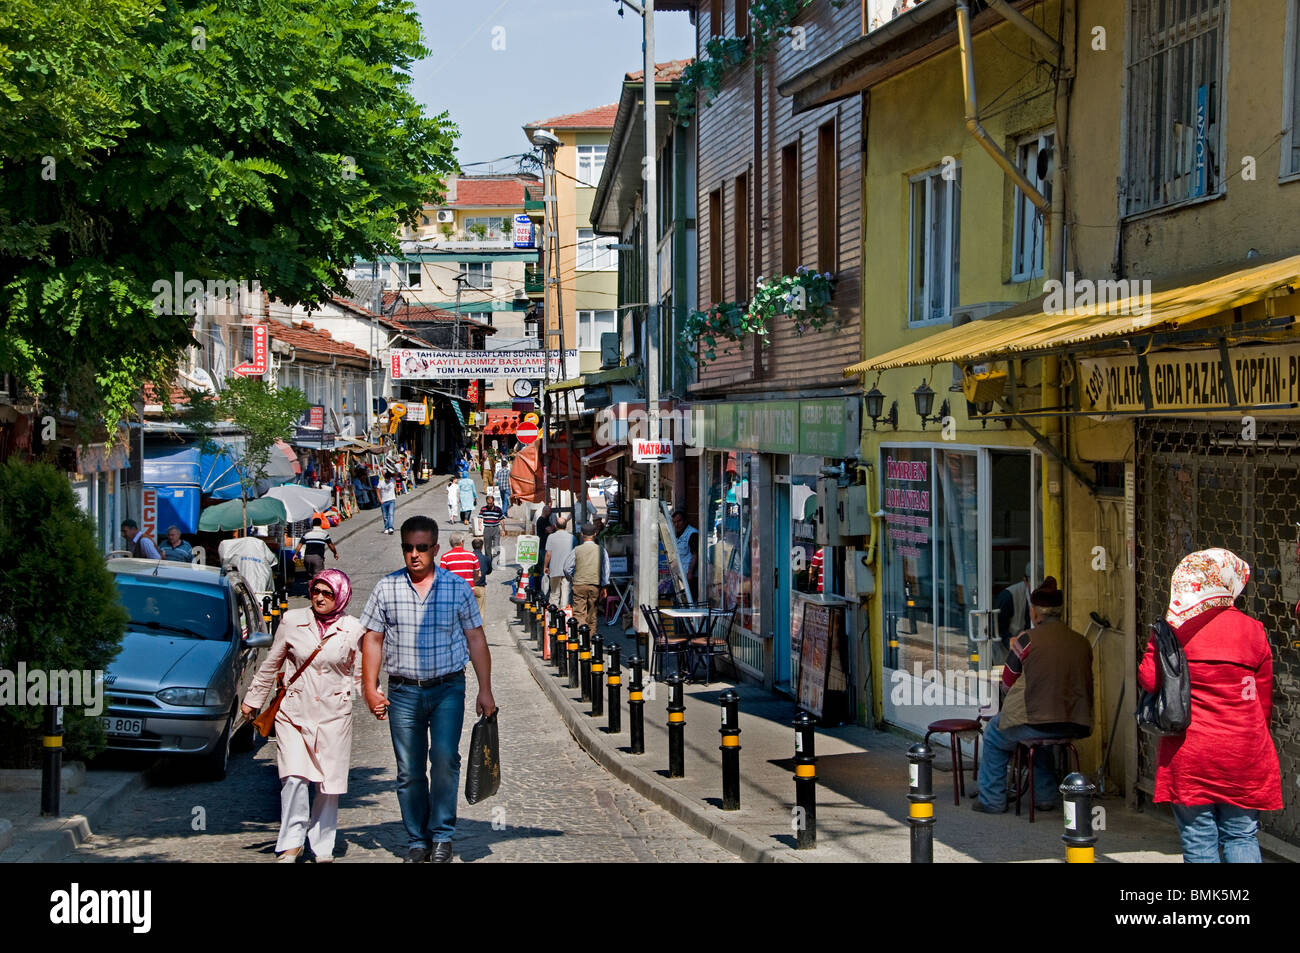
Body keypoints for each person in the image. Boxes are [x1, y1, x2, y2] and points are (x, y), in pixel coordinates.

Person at [359, 515, 496, 863]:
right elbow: (372, 639)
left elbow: (476, 639)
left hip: (448, 688)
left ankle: (442, 836)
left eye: (422, 548)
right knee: (409, 769)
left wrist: (486, 689)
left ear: (435, 548)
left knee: (445, 759)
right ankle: (417, 839)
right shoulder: (386, 588)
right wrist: (370, 686)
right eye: (408, 548)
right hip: (403, 693)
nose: (414, 554)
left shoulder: (457, 588)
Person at [1139, 549, 1281, 862]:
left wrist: (1159, 639)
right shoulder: (1252, 629)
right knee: (1241, 835)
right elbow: (1264, 700)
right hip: (1244, 751)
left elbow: (1149, 680)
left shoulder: (1174, 628)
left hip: (1190, 754)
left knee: (1199, 841)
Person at [242, 569, 364, 862]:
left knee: (328, 784)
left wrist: (375, 699)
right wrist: (253, 699)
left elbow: (361, 674)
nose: (320, 597)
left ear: (341, 596)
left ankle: (322, 844)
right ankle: (291, 842)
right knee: (294, 778)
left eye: (327, 593)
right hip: (294, 713)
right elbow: (272, 664)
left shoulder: (354, 628)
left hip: (335, 715)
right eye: (316, 591)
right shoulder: (292, 620)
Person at [973, 577, 1093, 814]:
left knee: (995, 735)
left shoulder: (1026, 640)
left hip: (1037, 722)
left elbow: (1007, 682)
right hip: (1076, 723)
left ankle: (992, 799)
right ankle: (1045, 796)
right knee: (1040, 739)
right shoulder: (1081, 642)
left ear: (1035, 613)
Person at [563, 522, 610, 636]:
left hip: (579, 585)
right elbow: (606, 569)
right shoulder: (601, 550)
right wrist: (604, 586)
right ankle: (591, 640)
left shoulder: (577, 550)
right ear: (595, 533)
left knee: (579, 613)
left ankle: (581, 639)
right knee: (592, 614)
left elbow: (566, 567)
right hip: (595, 584)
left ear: (582, 535)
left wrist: (572, 579)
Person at [995, 564, 1033, 666]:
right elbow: (997, 628)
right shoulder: (1008, 596)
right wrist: (1009, 640)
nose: (1037, 587)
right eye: (1033, 583)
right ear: (1025, 580)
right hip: (1008, 654)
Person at [543, 514, 576, 608]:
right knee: (566, 594)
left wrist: (545, 566)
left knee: (554, 593)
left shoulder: (551, 537)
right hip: (568, 570)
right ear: (566, 526)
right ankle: (564, 614)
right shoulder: (572, 538)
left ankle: (553, 615)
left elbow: (548, 554)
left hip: (554, 569)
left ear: (556, 526)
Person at [671, 510, 699, 583]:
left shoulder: (692, 534)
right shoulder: (677, 534)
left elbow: (695, 555)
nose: (676, 524)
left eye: (679, 521)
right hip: (681, 575)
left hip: (690, 577)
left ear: (685, 521)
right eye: (674, 522)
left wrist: (690, 573)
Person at [479, 491, 504, 558]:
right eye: (488, 503)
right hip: (487, 528)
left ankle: (496, 560)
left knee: (496, 545)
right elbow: (480, 517)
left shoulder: (498, 509)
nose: (489, 504)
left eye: (490, 503)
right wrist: (479, 526)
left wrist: (503, 530)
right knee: (487, 546)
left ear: (493, 502)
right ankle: (488, 560)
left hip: (496, 528)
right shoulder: (483, 509)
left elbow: (501, 520)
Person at [471, 538, 491, 616]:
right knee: (480, 611)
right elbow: (489, 571)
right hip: (480, 587)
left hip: (469, 587)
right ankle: (480, 627)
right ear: (482, 547)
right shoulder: (485, 558)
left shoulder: (469, 557)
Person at [376, 470, 397, 535]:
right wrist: (380, 500)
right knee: (385, 516)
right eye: (386, 478)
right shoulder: (381, 483)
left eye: (388, 478)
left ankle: (390, 527)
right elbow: (377, 491)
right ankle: (386, 528)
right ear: (384, 478)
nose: (387, 480)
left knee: (391, 514)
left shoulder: (392, 481)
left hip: (391, 500)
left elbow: (396, 475)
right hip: (384, 501)